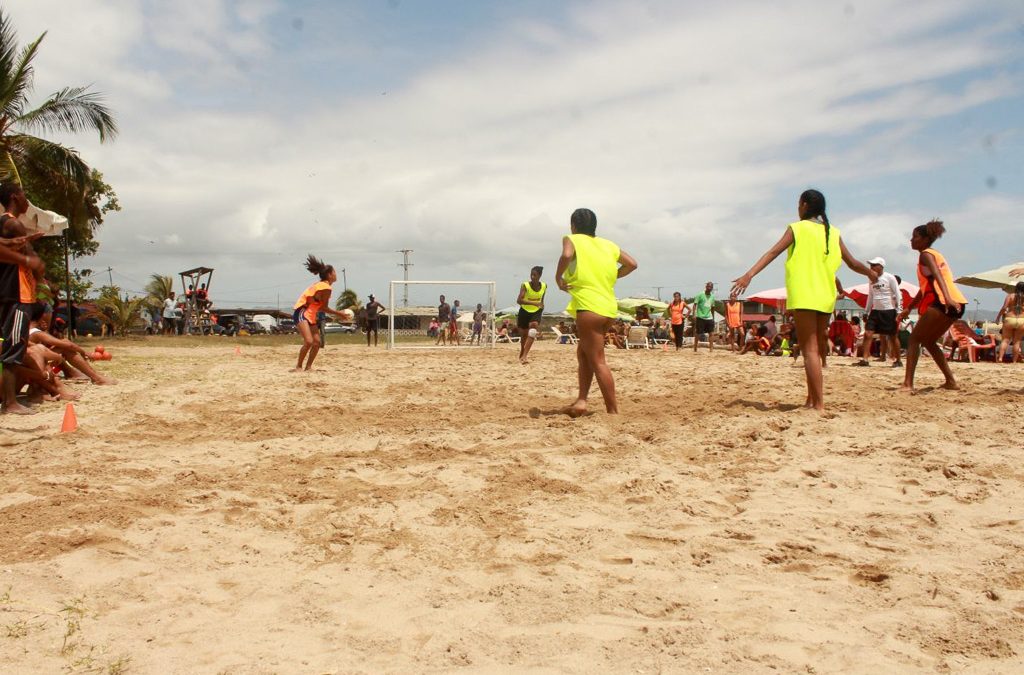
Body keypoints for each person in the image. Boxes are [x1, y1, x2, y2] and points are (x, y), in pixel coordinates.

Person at [732, 189, 876, 411]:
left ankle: (818, 403)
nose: (797, 208)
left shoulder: (797, 228)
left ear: (805, 205)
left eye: (799, 204)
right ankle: (811, 399)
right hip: (826, 297)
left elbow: (772, 253)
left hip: (805, 294)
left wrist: (749, 274)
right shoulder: (833, 232)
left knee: (809, 351)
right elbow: (853, 263)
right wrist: (870, 273)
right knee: (816, 350)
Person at [556, 208, 638, 416]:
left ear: (573, 226)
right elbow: (632, 264)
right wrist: (610, 276)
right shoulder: (608, 245)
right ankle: (581, 401)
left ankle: (613, 410)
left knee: (597, 359)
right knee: (584, 354)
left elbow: (566, 254)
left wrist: (559, 278)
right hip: (608, 307)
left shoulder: (572, 239)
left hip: (589, 308)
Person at [896, 220, 967, 393]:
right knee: (928, 341)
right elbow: (924, 289)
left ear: (925, 239)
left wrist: (947, 298)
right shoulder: (935, 254)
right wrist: (909, 308)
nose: (911, 240)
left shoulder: (925, 255)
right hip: (957, 302)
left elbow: (937, 276)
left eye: (915, 237)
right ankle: (950, 381)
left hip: (944, 301)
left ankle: (907, 384)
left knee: (914, 339)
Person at [1, 184, 48, 414]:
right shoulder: (13, 222)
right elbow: (30, 256)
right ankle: (10, 403)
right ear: (14, 197)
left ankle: (13, 399)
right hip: (17, 293)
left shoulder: (6, 223)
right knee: (14, 347)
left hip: (12, 292)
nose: (26, 199)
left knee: (14, 345)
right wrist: (40, 273)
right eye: (23, 195)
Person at [29, 303, 115, 385]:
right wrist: (84, 352)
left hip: (31, 365)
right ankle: (96, 377)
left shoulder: (27, 330)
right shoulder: (37, 333)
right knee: (66, 347)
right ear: (43, 317)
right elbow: (69, 345)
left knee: (64, 345)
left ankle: (93, 375)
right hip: (35, 369)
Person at [292, 254, 347, 371]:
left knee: (317, 342)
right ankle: (298, 366)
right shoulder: (325, 287)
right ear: (329, 275)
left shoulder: (323, 286)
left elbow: (321, 308)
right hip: (302, 312)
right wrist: (340, 314)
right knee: (309, 341)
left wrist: (338, 313)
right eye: (334, 272)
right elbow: (325, 308)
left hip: (310, 315)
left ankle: (308, 367)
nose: (336, 274)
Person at [855, 257, 903, 368]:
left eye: (874, 265)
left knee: (892, 336)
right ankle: (865, 359)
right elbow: (870, 296)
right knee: (868, 334)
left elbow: (898, 294)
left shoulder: (889, 277)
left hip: (889, 310)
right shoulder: (871, 279)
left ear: (881, 266)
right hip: (875, 311)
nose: (871, 267)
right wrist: (866, 311)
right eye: (870, 265)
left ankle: (898, 360)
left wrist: (899, 311)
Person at [517, 266, 546, 362]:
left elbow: (542, 299)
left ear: (540, 275)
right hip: (524, 311)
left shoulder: (544, 286)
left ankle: (525, 356)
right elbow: (519, 300)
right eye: (531, 274)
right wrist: (534, 303)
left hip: (536, 311)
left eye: (535, 275)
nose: (532, 277)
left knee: (533, 329)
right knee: (524, 335)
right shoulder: (525, 285)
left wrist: (541, 305)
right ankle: (522, 350)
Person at [994, 281, 1024, 364]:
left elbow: (1004, 308)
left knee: (1005, 340)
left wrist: (998, 317)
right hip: (1022, 320)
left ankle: (1000, 358)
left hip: (1010, 318)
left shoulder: (1010, 296)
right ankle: (1014, 361)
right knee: (1017, 341)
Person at [692, 282, 716, 352]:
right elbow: (695, 304)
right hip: (700, 316)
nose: (709, 288)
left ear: (712, 288)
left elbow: (713, 307)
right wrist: (694, 314)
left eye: (711, 287)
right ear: (706, 287)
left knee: (711, 333)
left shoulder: (712, 296)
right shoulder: (700, 294)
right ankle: (695, 347)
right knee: (698, 333)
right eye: (708, 286)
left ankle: (711, 349)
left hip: (709, 317)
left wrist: (713, 317)